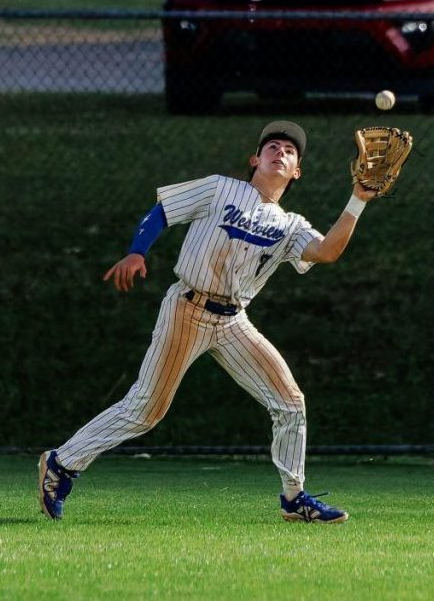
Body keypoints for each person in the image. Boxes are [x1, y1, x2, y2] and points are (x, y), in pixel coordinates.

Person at [38, 120, 376, 524]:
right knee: (145, 410)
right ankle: (62, 463)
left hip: (234, 321)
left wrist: (357, 200)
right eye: (272, 145)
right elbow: (162, 211)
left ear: (296, 171)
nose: (280, 151)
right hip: (188, 308)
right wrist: (137, 251)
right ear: (255, 159)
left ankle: (294, 498)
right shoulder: (220, 188)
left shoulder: (290, 225)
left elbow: (326, 252)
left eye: (289, 150)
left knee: (290, 403)